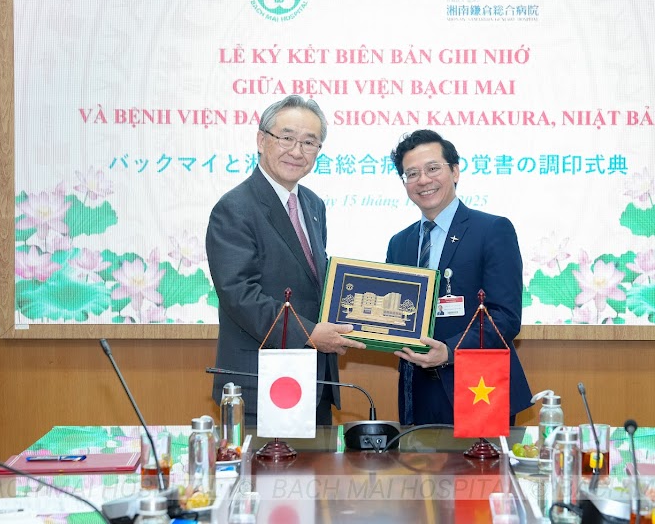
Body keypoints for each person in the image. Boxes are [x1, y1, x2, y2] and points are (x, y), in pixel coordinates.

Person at [207, 95, 365, 425]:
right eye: (287, 138)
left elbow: (314, 283)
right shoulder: (235, 208)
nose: (297, 151)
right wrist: (309, 333)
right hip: (262, 384)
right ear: (261, 140)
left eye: (309, 142)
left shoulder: (313, 205)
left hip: (315, 383)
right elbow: (240, 295)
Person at [387, 129, 533, 425]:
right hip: (418, 391)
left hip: (479, 387)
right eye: (412, 174)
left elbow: (505, 317)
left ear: (454, 171)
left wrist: (450, 351)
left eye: (432, 169)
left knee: (481, 460)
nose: (423, 180)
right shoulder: (399, 243)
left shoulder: (492, 230)